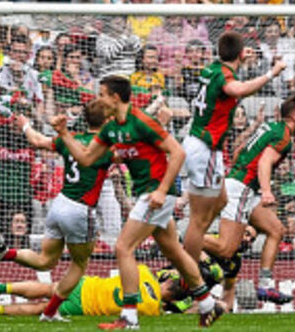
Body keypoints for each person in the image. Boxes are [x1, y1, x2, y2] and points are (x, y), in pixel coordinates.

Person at [52, 75, 225, 329]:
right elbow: (87, 158)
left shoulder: (142, 121)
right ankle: (209, 304)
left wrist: (162, 191)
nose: (98, 99)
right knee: (174, 252)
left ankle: (129, 316)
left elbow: (178, 152)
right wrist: (64, 134)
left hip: (155, 193)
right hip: (147, 194)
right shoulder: (111, 129)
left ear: (115, 97)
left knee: (123, 247)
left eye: (102, 94)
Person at [0, 98, 114, 321]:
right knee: (79, 264)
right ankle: (49, 313)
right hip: (81, 209)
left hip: (59, 203)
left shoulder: (70, 139)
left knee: (45, 261)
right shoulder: (105, 146)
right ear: (107, 121)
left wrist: (25, 125)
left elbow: (37, 140)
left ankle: (6, 253)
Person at [182, 32, 286, 279]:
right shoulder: (225, 77)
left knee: (221, 201)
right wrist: (271, 73)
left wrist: (241, 59)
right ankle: (188, 266)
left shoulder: (212, 68)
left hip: (205, 147)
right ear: (240, 54)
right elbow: (237, 89)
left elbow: (228, 73)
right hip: (204, 147)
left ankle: (193, 247)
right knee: (199, 221)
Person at [202, 94, 295, 307]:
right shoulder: (284, 137)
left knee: (276, 230)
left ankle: (265, 285)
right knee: (226, 249)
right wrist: (267, 191)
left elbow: (238, 152)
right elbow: (264, 162)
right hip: (241, 188)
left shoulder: (271, 127)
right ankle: (186, 241)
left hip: (242, 187)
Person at [0, 263, 184, 318]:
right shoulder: (153, 310)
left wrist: (166, 273)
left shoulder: (144, 273)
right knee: (41, 309)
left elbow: (128, 263)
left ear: (167, 282)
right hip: (85, 307)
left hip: (86, 286)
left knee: (46, 289)